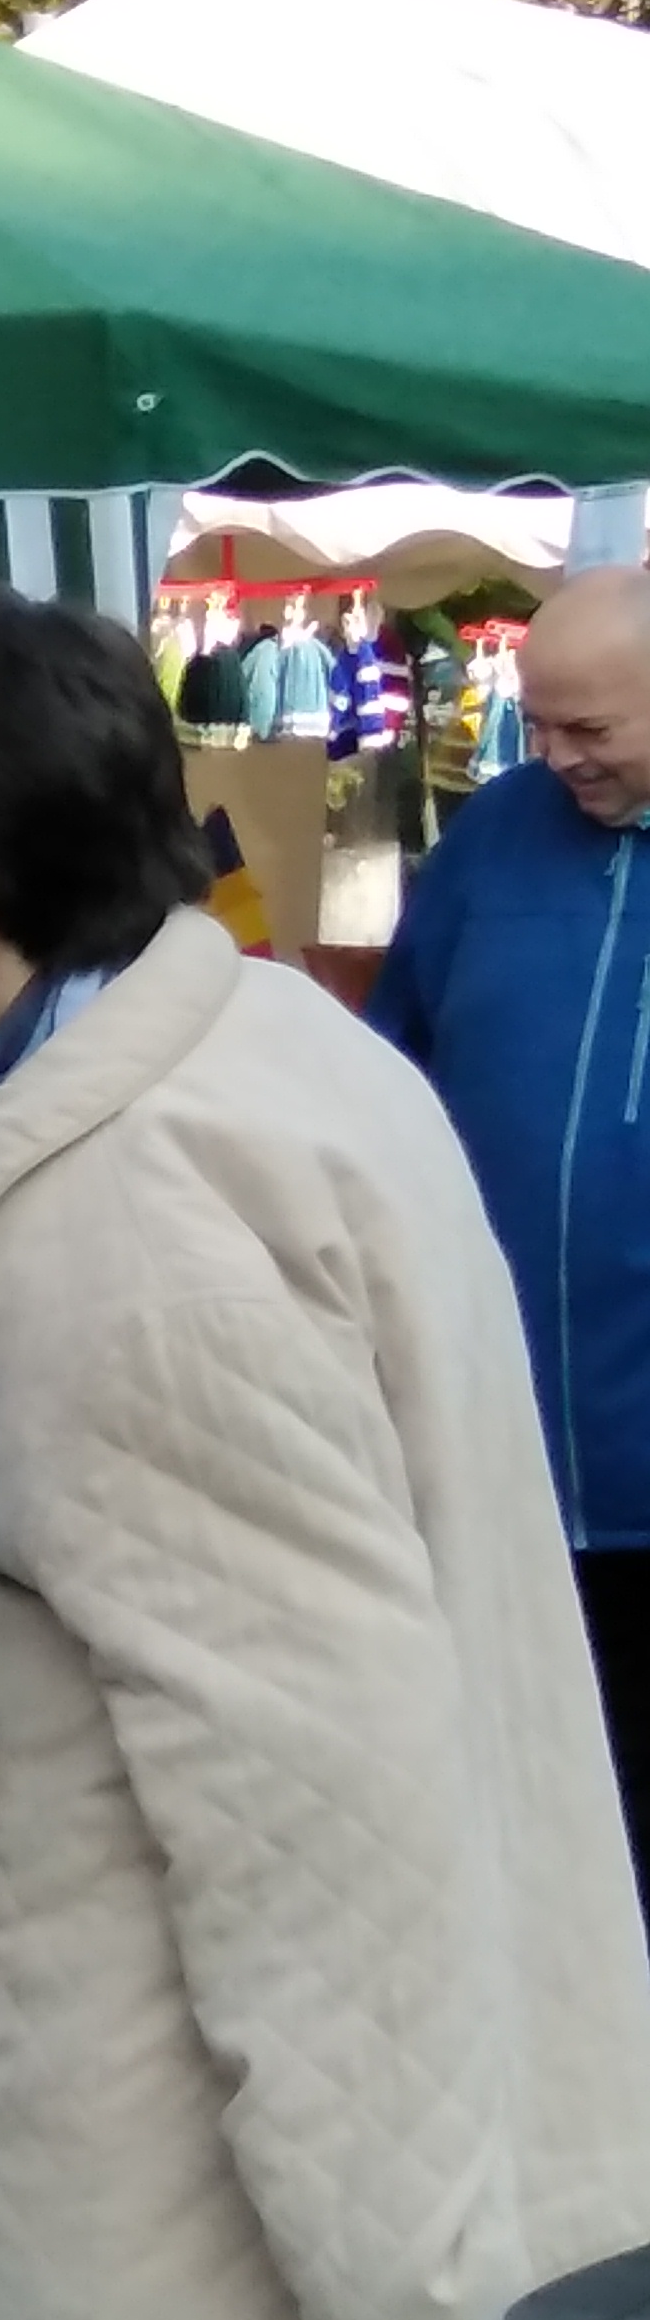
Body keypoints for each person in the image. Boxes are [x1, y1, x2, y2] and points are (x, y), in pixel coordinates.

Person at [0, 580, 650, 2320]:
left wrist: (379, 2265)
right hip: (188, 2180)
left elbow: (304, 1775)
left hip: (170, 2226)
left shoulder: (124, 1207)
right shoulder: (246, 1044)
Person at [370, 562, 650, 1875]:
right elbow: (393, 1064)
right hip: (489, 1452)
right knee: (520, 1841)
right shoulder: (496, 835)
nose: (553, 756)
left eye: (588, 727)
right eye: (537, 722)